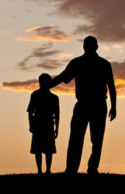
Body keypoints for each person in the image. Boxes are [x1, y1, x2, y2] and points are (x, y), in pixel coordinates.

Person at [50, 36, 117, 175]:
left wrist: (114, 106)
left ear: (84, 47)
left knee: (88, 138)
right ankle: (79, 169)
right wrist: (48, 86)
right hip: (90, 104)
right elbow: (64, 77)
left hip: (93, 104)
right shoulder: (97, 63)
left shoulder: (82, 63)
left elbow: (111, 85)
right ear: (96, 47)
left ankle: (82, 168)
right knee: (83, 138)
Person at [27, 73, 60, 174]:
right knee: (38, 150)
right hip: (38, 124)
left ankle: (47, 170)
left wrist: (56, 128)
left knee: (48, 150)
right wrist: (31, 125)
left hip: (48, 124)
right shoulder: (35, 95)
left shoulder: (54, 98)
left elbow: (57, 114)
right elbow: (30, 111)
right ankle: (40, 170)